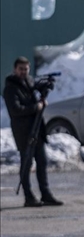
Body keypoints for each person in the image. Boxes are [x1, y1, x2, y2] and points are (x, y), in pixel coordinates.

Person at [3, 57, 62, 208]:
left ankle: (45, 194)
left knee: (42, 161)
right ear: (15, 70)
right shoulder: (11, 88)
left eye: (26, 69)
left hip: (37, 129)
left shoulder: (29, 82)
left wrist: (44, 89)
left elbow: (36, 90)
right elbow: (15, 110)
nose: (23, 72)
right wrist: (36, 107)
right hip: (23, 131)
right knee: (27, 163)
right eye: (21, 69)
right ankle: (28, 196)